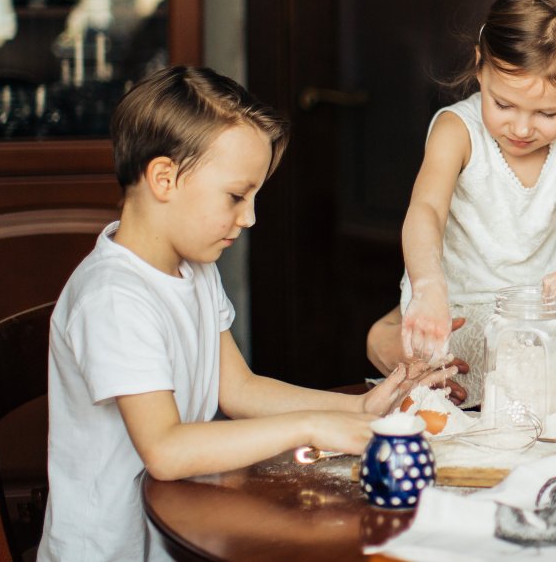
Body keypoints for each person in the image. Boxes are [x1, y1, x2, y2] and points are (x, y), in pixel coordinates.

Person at [39, 66, 452, 561]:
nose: (250, 217)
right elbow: (166, 451)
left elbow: (238, 389)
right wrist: (309, 428)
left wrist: (356, 409)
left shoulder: (192, 268)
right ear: (164, 178)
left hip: (175, 531)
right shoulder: (113, 298)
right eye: (236, 196)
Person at [366, 0, 556, 406]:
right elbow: (426, 211)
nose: (523, 128)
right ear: (480, 66)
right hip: (464, 306)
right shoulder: (458, 130)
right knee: (464, 380)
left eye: (548, 112)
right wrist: (428, 283)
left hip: (541, 314)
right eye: (504, 104)